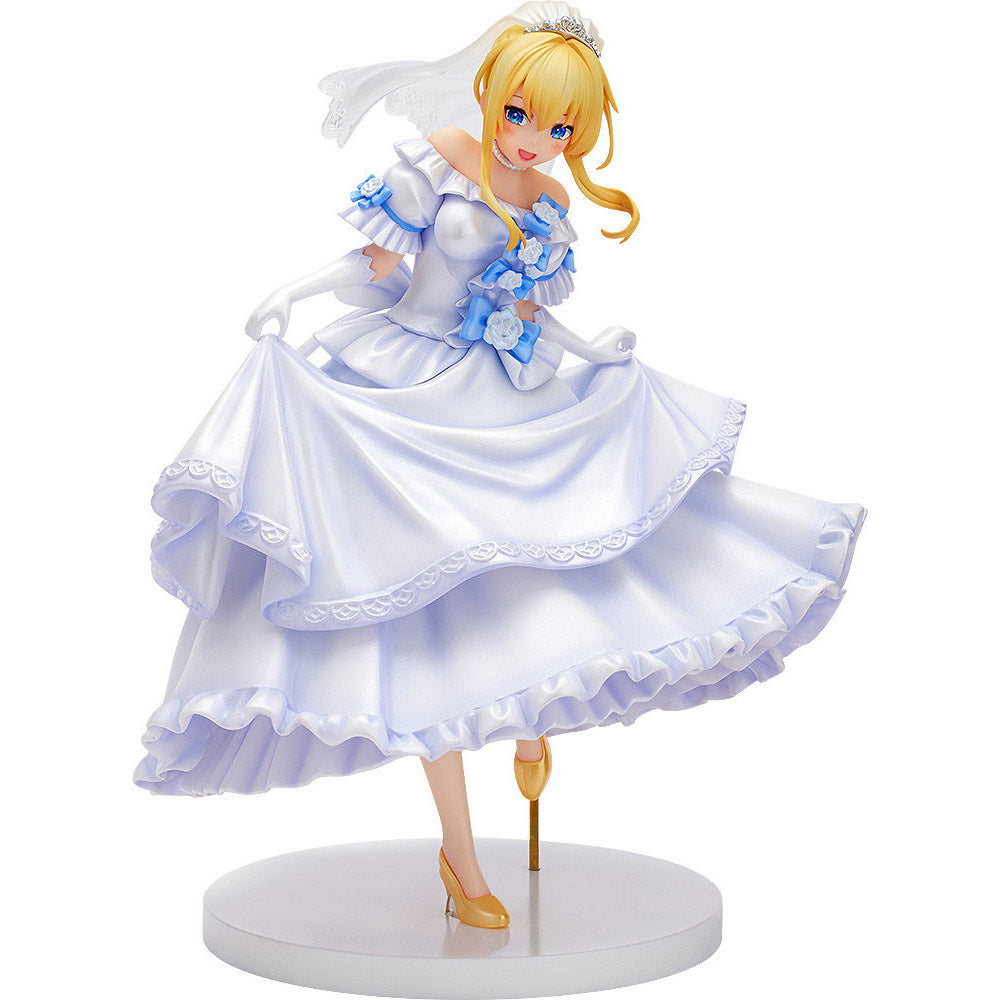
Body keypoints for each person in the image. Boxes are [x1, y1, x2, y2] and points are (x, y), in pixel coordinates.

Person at [135, 5, 865, 931]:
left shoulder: (548, 203)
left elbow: (524, 312)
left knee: (540, 558)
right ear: (489, 94)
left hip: (494, 388)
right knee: (414, 613)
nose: (532, 139)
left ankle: (531, 716)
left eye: (559, 129)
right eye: (519, 114)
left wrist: (592, 352)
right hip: (397, 380)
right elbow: (377, 268)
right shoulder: (440, 160)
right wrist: (296, 290)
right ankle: (462, 860)